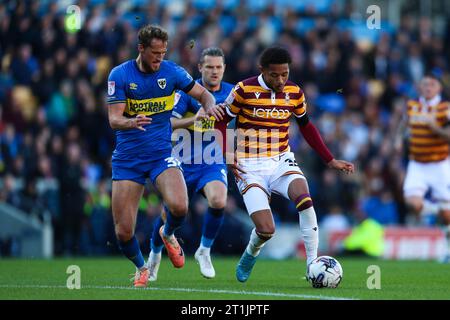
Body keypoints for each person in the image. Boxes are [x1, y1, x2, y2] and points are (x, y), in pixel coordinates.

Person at [221, 46, 354, 282]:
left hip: (281, 159)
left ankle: (312, 262)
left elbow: (306, 126)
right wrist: (228, 155)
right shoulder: (243, 90)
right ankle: (251, 252)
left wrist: (329, 159)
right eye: (275, 75)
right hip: (248, 166)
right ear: (262, 70)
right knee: (266, 230)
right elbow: (220, 122)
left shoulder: (294, 92)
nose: (281, 80)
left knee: (304, 198)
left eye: (285, 74)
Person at [106, 25, 223, 287]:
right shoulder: (120, 75)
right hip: (128, 159)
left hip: (161, 154)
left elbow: (203, 94)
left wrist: (209, 106)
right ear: (141, 49)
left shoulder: (172, 72)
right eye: (155, 53)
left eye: (163, 52)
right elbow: (114, 119)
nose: (160, 58)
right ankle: (141, 267)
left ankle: (167, 233)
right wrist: (131, 121)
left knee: (180, 207)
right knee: (123, 232)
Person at [147, 47, 234, 280]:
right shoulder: (187, 92)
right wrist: (193, 121)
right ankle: (154, 256)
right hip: (182, 162)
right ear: (200, 68)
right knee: (169, 216)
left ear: (224, 68)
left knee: (219, 199)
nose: (215, 72)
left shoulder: (232, 92)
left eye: (218, 67)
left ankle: (204, 251)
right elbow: (167, 124)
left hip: (211, 161)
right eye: (210, 67)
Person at [395, 73, 450, 262]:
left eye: (432, 85)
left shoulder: (445, 108)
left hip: (440, 164)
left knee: (448, 216)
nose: (427, 88)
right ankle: (436, 210)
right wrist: (397, 140)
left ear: (439, 88)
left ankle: (448, 250)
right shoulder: (412, 106)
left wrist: (435, 128)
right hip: (417, 163)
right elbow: (404, 124)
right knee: (412, 203)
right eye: (425, 84)